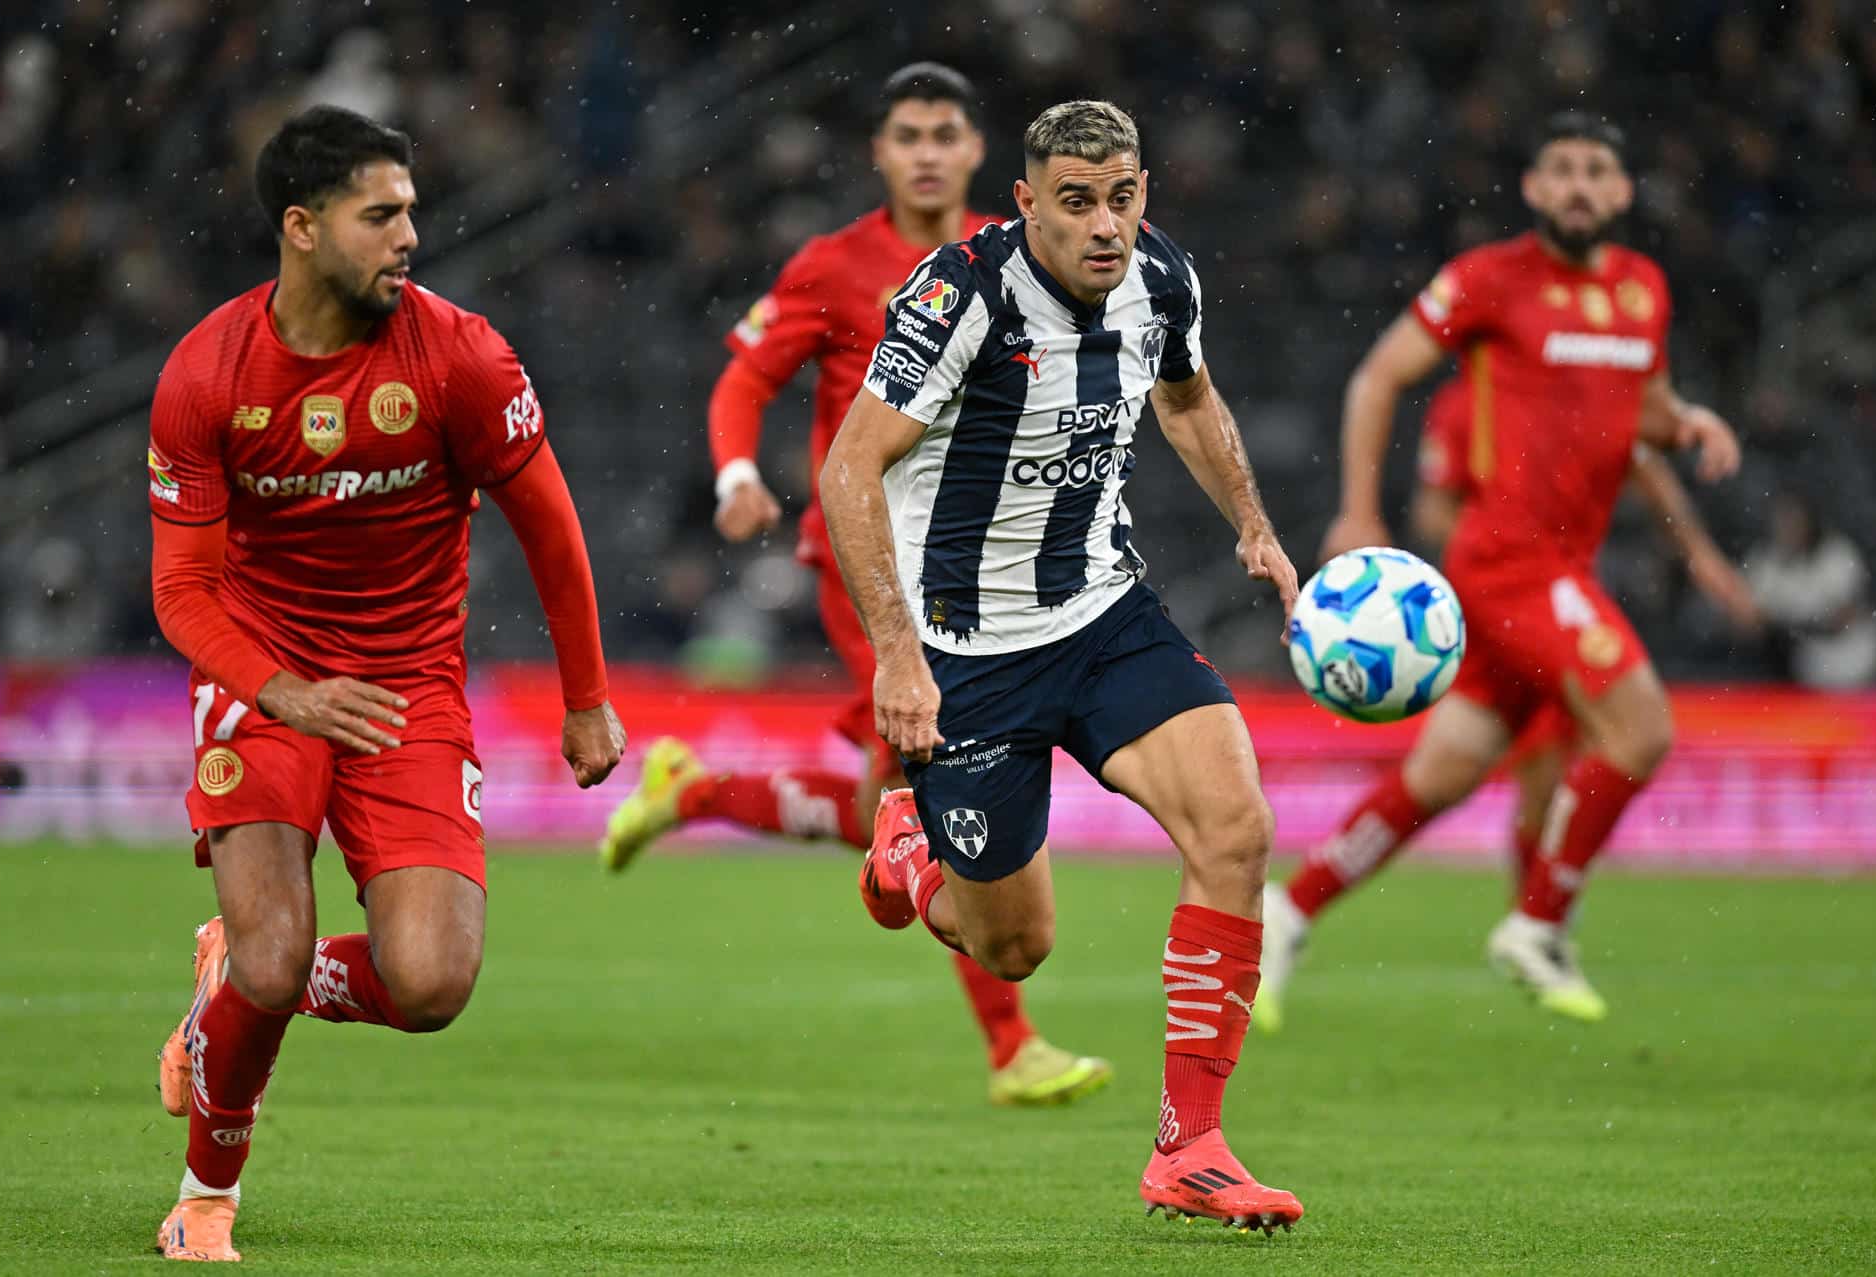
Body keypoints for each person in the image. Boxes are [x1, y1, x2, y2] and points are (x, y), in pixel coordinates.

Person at [146, 105, 625, 1262]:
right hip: (263, 676)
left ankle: (236, 984)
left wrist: (586, 694)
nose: (410, 233)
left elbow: (550, 525)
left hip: (407, 685)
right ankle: (205, 1195)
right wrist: (279, 688)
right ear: (303, 229)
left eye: (410, 208)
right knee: (273, 950)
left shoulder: (459, 353)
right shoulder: (206, 374)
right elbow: (182, 593)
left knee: (431, 982)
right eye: (382, 214)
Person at [824, 100, 1304, 1232]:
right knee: (1015, 946)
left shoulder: (1162, 278)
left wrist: (1254, 524)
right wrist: (899, 655)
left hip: (1101, 613)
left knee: (1236, 829)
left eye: (1124, 197)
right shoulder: (958, 295)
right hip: (969, 654)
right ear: (1028, 201)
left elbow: (1185, 396)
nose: (1106, 225)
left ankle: (1193, 1147)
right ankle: (912, 855)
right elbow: (852, 470)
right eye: (1078, 202)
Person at [598, 64, 1111, 1107]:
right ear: (879, 153)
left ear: (978, 155)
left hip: (982, 566)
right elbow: (746, 374)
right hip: (867, 563)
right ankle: (1012, 1042)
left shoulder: (1018, 258)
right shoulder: (834, 266)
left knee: (903, 798)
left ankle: (697, 790)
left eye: (946, 132)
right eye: (907, 133)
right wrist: (738, 471)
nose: (926, 150)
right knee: (935, 777)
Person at [1261, 112, 1741, 1028]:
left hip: (1560, 562)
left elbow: (1644, 405)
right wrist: (1359, 511)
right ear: (1531, 188)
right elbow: (1377, 377)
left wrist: (1690, 422)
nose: (1577, 186)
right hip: (1508, 558)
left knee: (1445, 771)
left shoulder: (1643, 291)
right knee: (1639, 727)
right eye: (1559, 169)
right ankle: (1539, 921)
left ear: (1623, 192)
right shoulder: (1491, 279)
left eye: (1595, 171)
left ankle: (1292, 906)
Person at [1399, 373, 1759, 898]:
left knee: (1557, 772)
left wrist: (1699, 554)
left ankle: (1537, 919)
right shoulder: (1461, 406)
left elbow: (1642, 462)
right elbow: (1432, 513)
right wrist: (1501, 553)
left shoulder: (1567, 388)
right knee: (1521, 772)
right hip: (1502, 609)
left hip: (1564, 598)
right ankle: (1536, 918)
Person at [1745, 487, 1876, 688]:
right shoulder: (1764, 561)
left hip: (1844, 647)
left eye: (1795, 519)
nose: (1788, 527)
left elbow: (1844, 616)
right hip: (1790, 654)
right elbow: (1749, 618)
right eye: (1783, 520)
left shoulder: (1836, 554)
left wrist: (1802, 624)